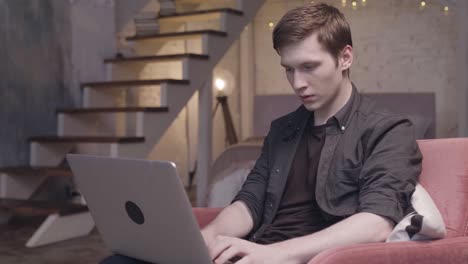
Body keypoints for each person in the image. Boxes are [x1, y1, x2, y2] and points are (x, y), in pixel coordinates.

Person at [101, 2, 422, 264]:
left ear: (345, 57)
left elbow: (377, 221)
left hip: (302, 258)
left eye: (309, 67)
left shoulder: (387, 129)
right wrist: (206, 239)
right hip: (252, 250)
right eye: (289, 69)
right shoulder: (283, 129)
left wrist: (275, 253)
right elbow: (250, 202)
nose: (297, 83)